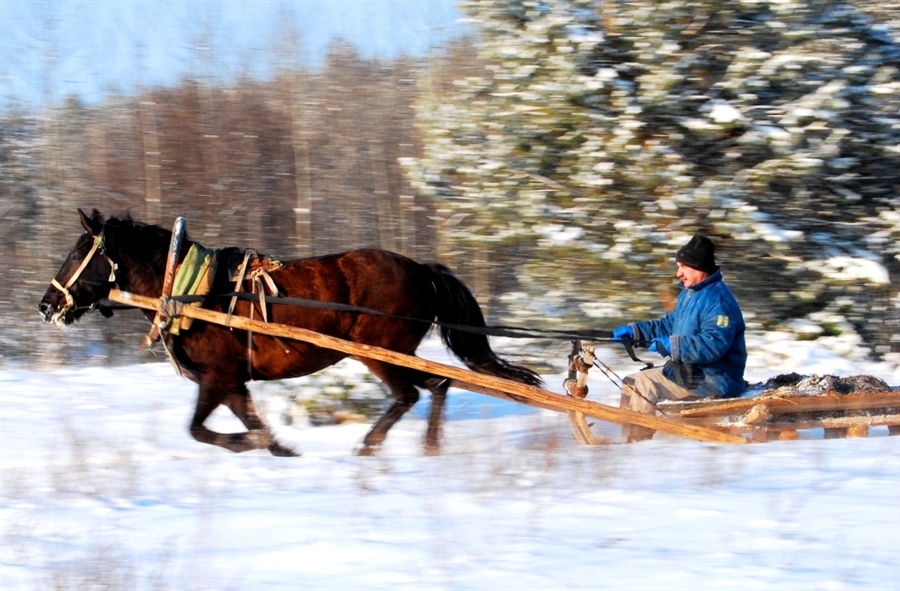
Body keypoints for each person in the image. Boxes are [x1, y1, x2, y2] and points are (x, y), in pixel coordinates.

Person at [612, 234, 747, 442]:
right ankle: (626, 439)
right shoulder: (689, 294)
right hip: (692, 372)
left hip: (715, 378)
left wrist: (673, 346)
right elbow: (668, 325)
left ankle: (638, 443)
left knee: (644, 383)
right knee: (630, 382)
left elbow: (713, 344)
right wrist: (636, 332)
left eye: (683, 267)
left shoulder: (718, 300)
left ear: (699, 267)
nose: (678, 273)